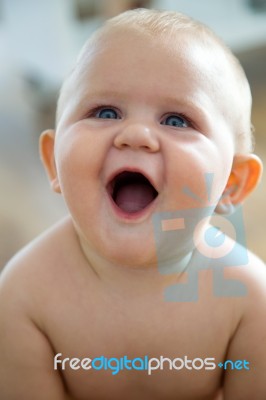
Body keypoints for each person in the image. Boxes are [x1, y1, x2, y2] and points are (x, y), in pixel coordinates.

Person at [0, 8, 265, 400]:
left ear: (230, 183)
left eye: (176, 120)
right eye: (105, 112)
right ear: (54, 161)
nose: (136, 134)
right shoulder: (22, 295)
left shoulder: (249, 301)